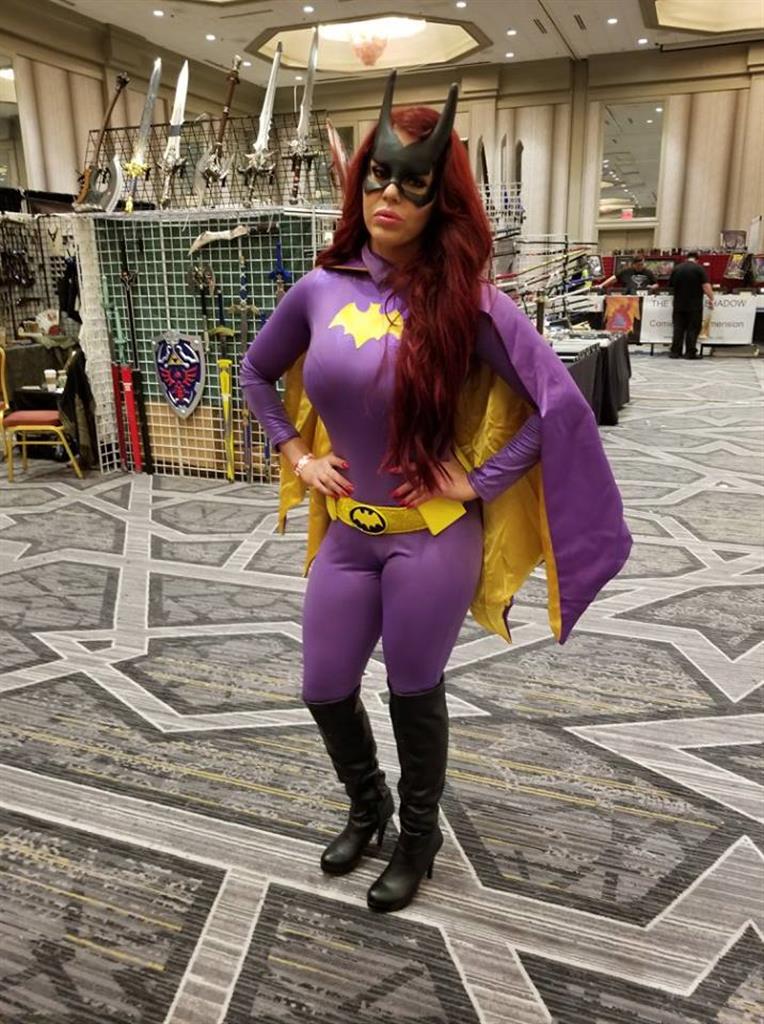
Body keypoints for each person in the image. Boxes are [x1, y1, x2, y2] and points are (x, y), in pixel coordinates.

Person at [240, 72, 631, 915]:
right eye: (377, 176)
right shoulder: (319, 289)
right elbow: (255, 371)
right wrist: (297, 455)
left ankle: (419, 838)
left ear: (439, 199)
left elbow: (557, 404)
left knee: (413, 690)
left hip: (432, 535)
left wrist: (481, 479)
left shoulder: (468, 303)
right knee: (323, 686)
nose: (389, 195)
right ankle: (368, 809)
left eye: (412, 183)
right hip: (349, 532)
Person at [668, 252, 714, 359]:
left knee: (678, 328)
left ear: (686, 258)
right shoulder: (699, 269)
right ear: (697, 259)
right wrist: (712, 298)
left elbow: (671, 286)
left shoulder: (676, 269)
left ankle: (675, 352)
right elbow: (706, 286)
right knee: (692, 329)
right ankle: (690, 353)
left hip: (678, 304)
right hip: (694, 305)